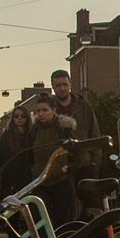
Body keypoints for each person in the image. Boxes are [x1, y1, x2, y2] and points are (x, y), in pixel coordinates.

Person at [51, 68, 103, 206]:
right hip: (60, 166)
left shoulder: (84, 106)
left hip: (84, 164)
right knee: (64, 206)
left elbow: (95, 134)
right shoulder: (49, 109)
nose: (62, 88)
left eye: (65, 84)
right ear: (53, 87)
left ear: (70, 85)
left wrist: (95, 162)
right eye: (58, 85)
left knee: (91, 205)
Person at [28, 94, 78, 224]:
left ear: (54, 111)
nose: (41, 114)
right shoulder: (34, 131)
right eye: (38, 110)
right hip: (39, 182)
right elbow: (28, 154)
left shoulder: (63, 129)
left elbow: (76, 152)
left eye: (45, 110)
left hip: (61, 181)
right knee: (39, 220)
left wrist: (67, 168)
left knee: (62, 221)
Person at [0, 104, 34, 196]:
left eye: (23, 116)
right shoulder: (7, 135)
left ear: (27, 118)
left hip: (26, 177)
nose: (19, 118)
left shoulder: (32, 134)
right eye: (16, 116)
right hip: (9, 176)